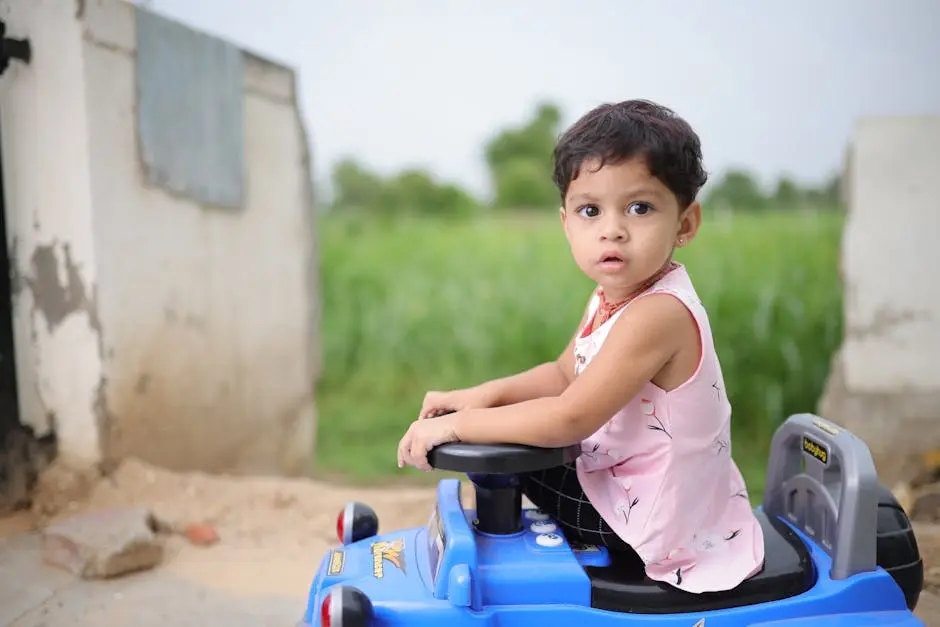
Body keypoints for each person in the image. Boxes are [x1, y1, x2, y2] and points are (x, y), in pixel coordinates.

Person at [396, 99, 765, 594]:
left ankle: (500, 589)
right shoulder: (611, 297)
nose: (612, 228)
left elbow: (570, 417)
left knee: (506, 448)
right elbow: (563, 374)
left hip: (653, 521)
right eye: (590, 210)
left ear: (685, 223)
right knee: (510, 438)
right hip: (629, 486)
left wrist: (458, 426)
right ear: (567, 223)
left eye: (640, 207)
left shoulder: (658, 313)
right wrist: (479, 395)